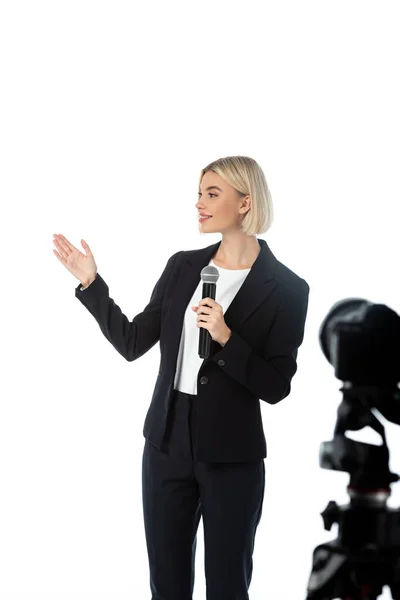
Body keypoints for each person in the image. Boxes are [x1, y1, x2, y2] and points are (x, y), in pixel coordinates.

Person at [53, 155, 310, 600]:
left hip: (232, 455)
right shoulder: (183, 267)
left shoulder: (287, 289)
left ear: (245, 202)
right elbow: (133, 342)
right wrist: (92, 284)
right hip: (167, 441)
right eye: (199, 193)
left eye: (213, 194)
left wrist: (227, 338)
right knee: (167, 586)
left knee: (228, 586)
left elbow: (277, 387)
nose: (199, 204)